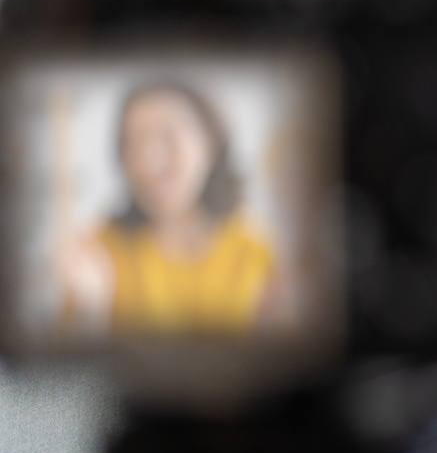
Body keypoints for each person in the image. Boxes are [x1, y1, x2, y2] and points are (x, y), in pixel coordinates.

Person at [57, 81, 278, 334]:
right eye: (134, 140)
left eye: (168, 135)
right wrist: (88, 311)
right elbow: (63, 368)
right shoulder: (96, 252)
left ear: (210, 145)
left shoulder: (257, 251)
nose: (148, 159)